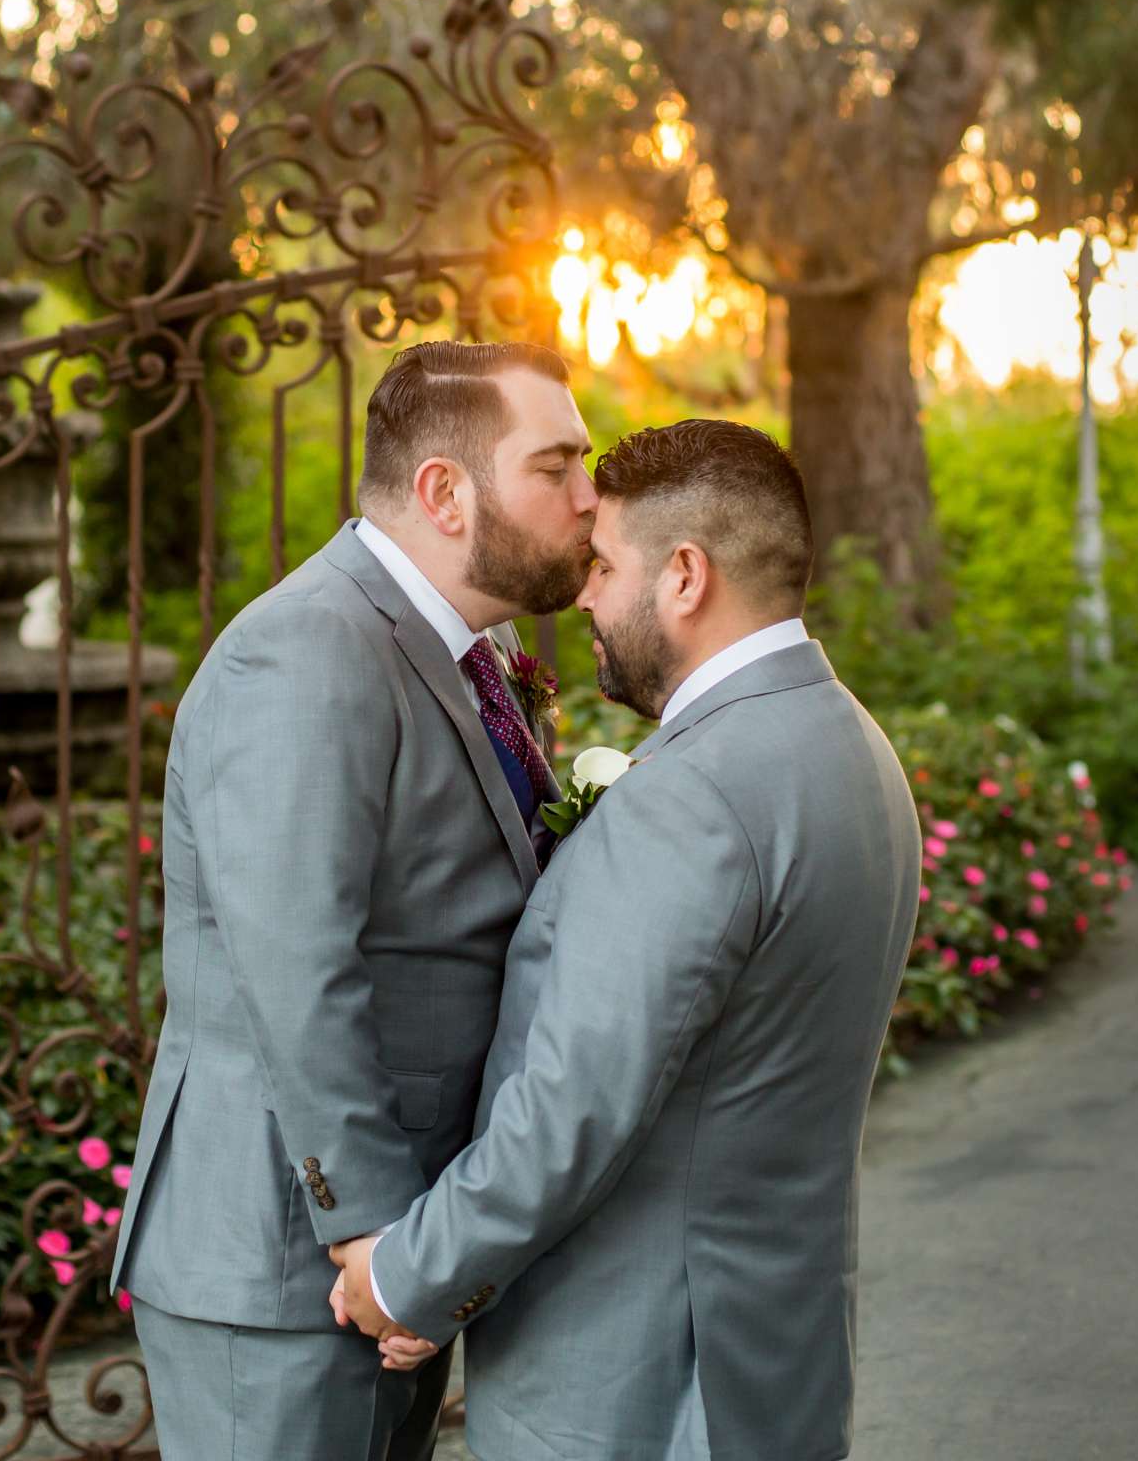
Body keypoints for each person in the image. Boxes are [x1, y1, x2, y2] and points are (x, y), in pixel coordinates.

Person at [331, 418, 923, 1461]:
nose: (586, 595)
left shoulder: (692, 796)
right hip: (774, 1354)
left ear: (684, 576)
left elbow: (575, 1107)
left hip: (638, 1384)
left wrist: (408, 1272)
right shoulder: (854, 751)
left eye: (605, 565)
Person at [111, 340, 596, 1460]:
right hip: (293, 1262)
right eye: (557, 466)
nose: (589, 497)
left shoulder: (485, 646)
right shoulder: (302, 652)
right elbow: (299, 969)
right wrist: (377, 1239)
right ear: (444, 491)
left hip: (397, 1251)